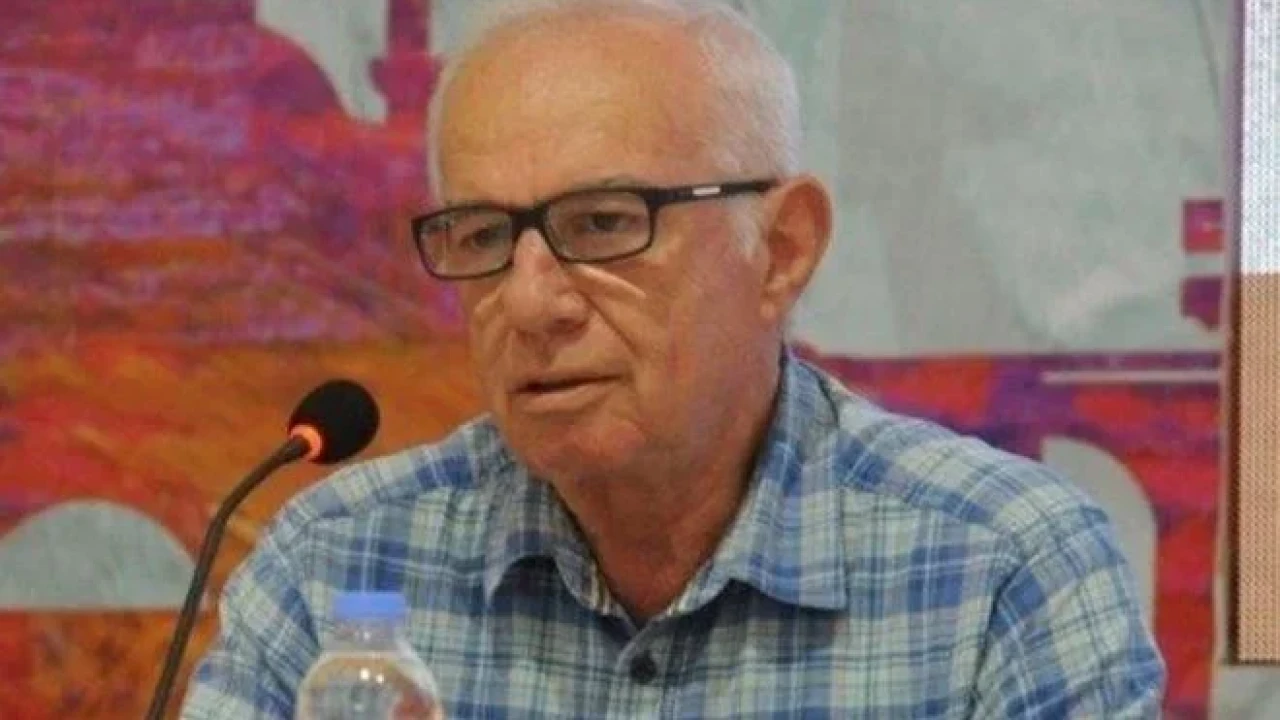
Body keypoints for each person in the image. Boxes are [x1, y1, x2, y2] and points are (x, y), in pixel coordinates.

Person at [182, 0, 1166, 716]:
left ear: (780, 250)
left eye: (605, 223)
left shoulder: (1001, 567)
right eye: (482, 236)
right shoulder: (338, 562)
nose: (530, 302)